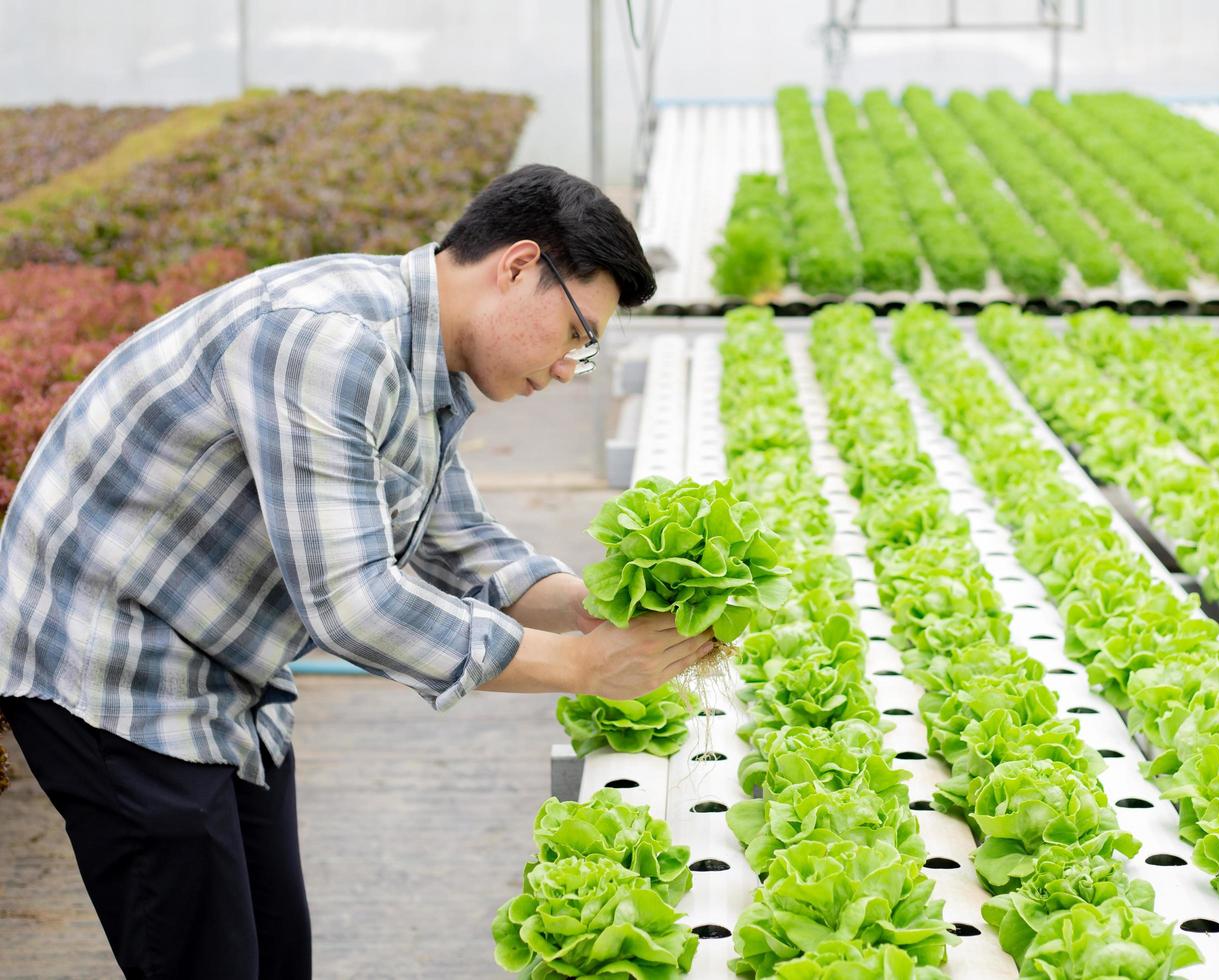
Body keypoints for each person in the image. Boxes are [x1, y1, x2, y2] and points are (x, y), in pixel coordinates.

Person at [0, 163, 711, 979]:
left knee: (274, 951)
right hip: (111, 666)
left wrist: (593, 611)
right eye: (578, 337)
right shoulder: (326, 341)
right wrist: (581, 668)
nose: (566, 368)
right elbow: (355, 605)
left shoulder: (427, 358)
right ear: (519, 266)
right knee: (205, 954)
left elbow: (460, 541)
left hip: (227, 668)